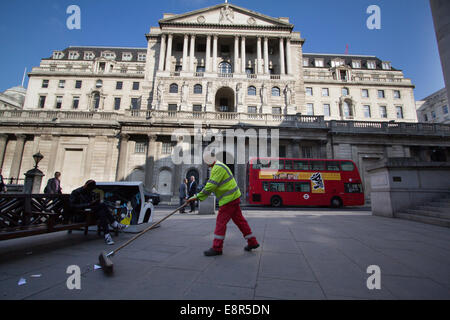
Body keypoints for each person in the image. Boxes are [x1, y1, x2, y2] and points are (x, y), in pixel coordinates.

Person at [186, 152, 259, 256]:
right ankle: (252, 242)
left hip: (228, 200)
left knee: (220, 223)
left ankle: (217, 247)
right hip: (233, 198)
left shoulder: (217, 168)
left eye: (206, 161)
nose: (206, 164)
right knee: (240, 221)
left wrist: (196, 197)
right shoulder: (219, 166)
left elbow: (210, 187)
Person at [69, 180, 127, 245]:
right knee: (102, 206)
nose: (91, 191)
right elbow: (72, 206)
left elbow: (91, 203)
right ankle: (114, 224)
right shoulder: (76, 192)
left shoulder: (89, 192)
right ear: (86, 186)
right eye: (90, 189)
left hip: (90, 212)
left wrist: (94, 202)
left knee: (102, 212)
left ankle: (107, 235)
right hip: (81, 214)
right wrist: (89, 204)